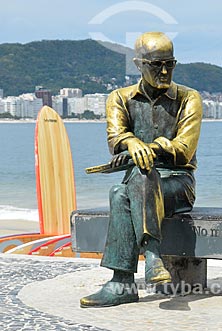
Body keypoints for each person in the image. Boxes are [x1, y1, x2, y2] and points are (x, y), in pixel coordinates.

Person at [80, 31, 202, 308]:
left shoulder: (189, 98)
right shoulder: (120, 98)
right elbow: (116, 139)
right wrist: (132, 143)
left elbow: (184, 148)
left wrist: (151, 148)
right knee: (122, 190)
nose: (164, 71)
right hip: (138, 184)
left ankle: (124, 280)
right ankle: (151, 261)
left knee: (132, 182)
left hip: (178, 184)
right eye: (156, 64)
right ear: (138, 64)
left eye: (169, 64)